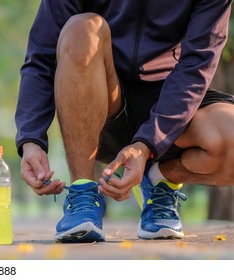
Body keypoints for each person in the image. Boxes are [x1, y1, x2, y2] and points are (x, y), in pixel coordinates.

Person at [15, 0, 233, 242]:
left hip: (174, 104)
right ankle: (83, 193)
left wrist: (147, 144)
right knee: (82, 28)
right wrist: (31, 139)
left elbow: (196, 65)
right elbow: (41, 57)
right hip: (103, 101)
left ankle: (160, 178)